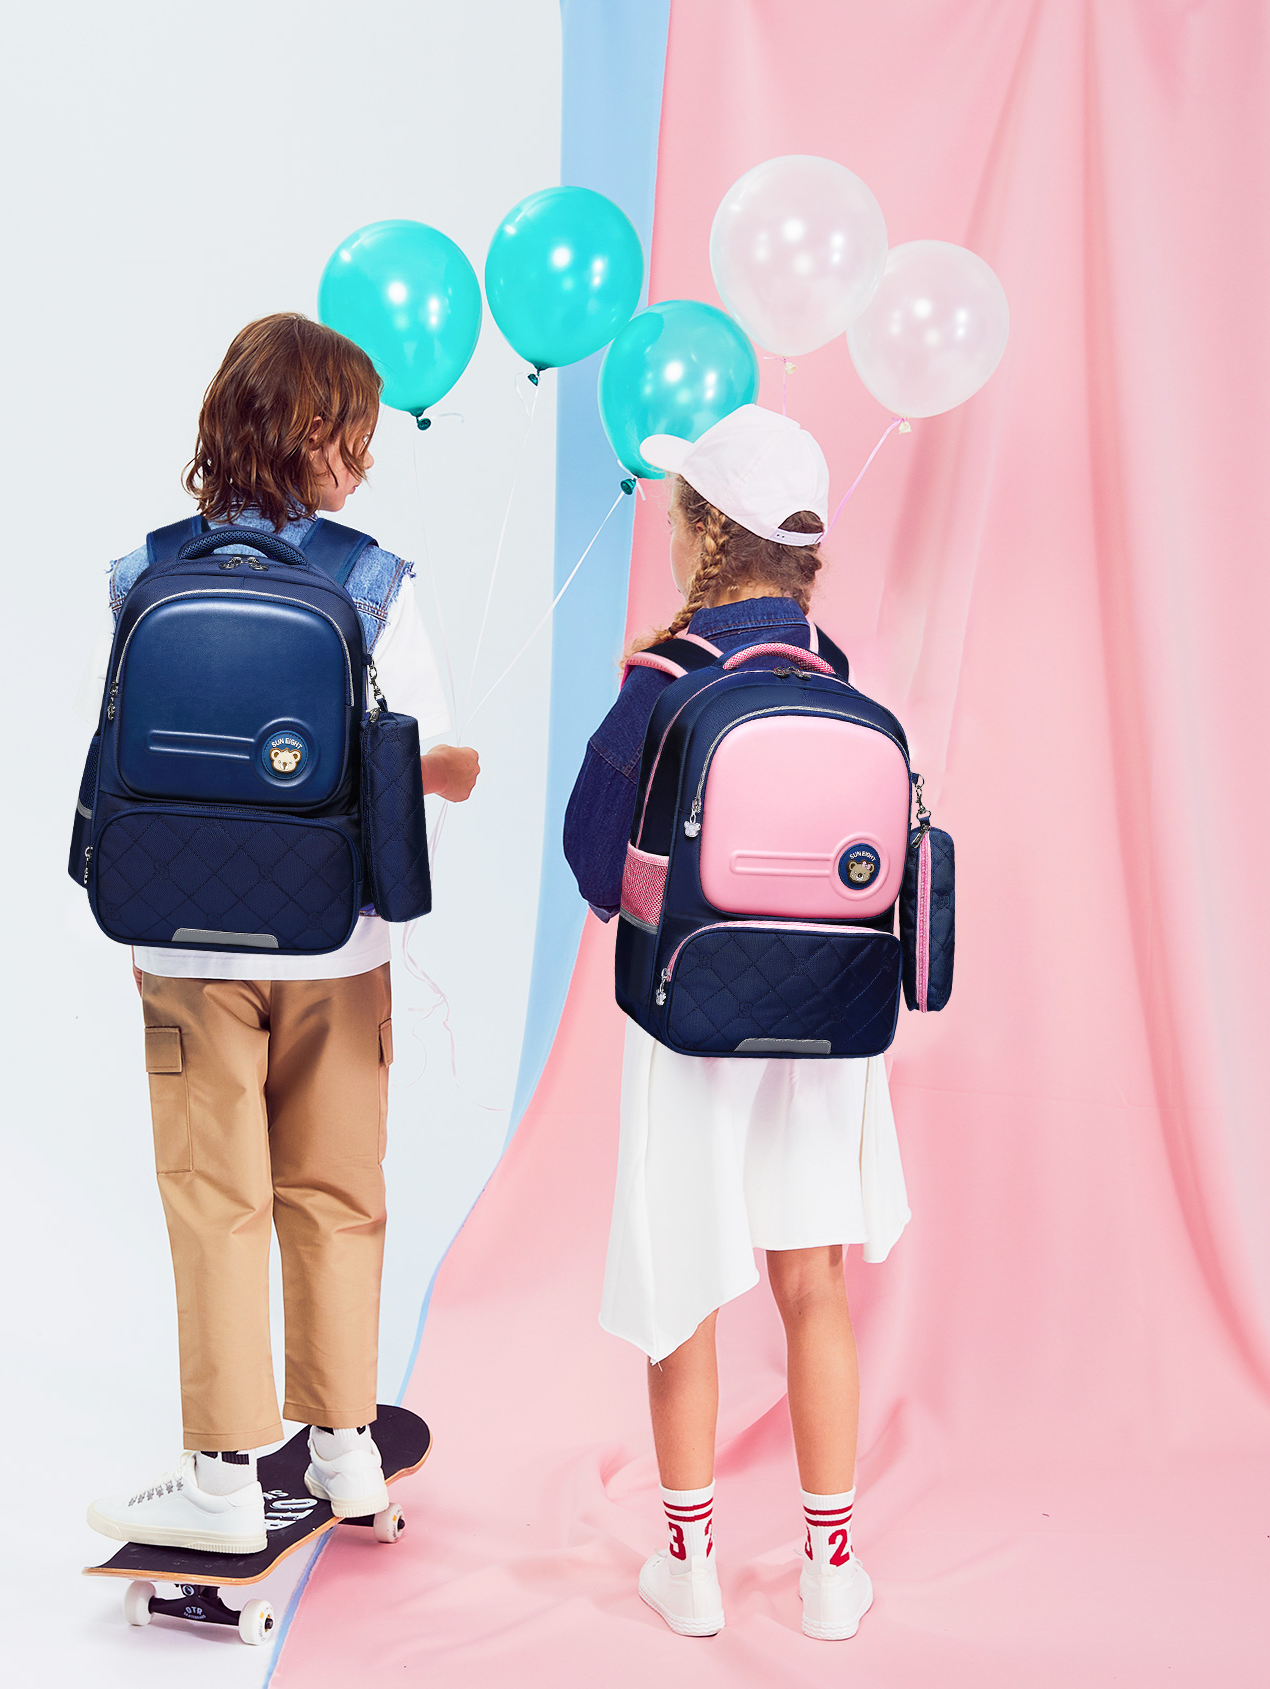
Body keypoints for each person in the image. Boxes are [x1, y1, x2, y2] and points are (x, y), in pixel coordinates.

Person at [81, 313, 479, 1553]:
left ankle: (221, 1477)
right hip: (336, 944)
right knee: (337, 1190)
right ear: (310, 431)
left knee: (215, 1198)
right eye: (354, 434)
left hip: (182, 942)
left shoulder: (143, 575)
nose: (365, 459)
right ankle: (345, 1445)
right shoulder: (373, 583)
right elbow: (431, 768)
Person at [562, 405, 909, 1640]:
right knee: (813, 1282)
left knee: (684, 1284)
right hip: (829, 1021)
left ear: (703, 532)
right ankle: (830, 1574)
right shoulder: (836, 682)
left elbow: (593, 861)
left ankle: (691, 1567)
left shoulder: (665, 682)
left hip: (691, 1021)